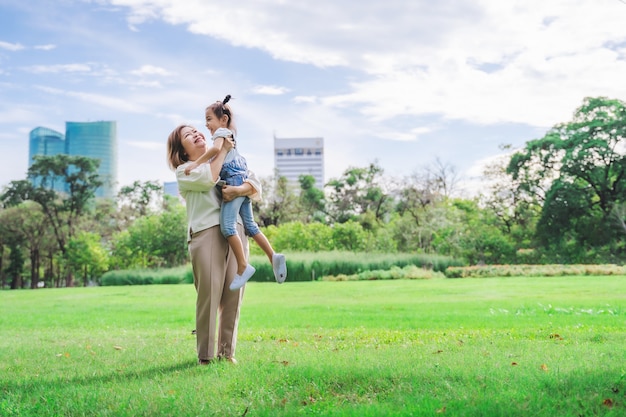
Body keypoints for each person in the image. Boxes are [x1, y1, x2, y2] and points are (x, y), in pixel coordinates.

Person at [166, 124, 259, 365]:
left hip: (236, 232)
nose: (197, 133)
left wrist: (238, 188)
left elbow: (255, 185)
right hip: (206, 232)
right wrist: (221, 150)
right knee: (209, 295)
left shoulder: (229, 159)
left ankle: (227, 354)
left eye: (197, 130)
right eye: (188, 135)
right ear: (182, 151)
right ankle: (205, 356)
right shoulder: (186, 170)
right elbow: (210, 178)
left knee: (233, 296)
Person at [184, 95, 287, 291]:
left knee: (228, 228)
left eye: (208, 119)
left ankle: (242, 266)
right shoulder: (230, 135)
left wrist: (196, 163)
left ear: (223, 119)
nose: (206, 125)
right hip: (241, 175)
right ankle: (273, 256)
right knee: (251, 225)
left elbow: (215, 150)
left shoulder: (221, 133)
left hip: (233, 179)